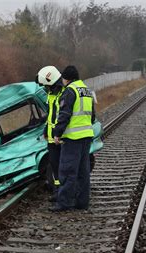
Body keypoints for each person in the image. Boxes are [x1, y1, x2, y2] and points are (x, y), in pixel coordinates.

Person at [50, 65, 95, 211]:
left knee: (68, 171)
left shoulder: (70, 91)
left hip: (73, 138)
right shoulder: (86, 90)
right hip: (86, 136)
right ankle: (82, 203)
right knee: (83, 172)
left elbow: (64, 114)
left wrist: (57, 133)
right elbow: (92, 115)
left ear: (66, 78)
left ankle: (64, 203)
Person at [35, 66, 65, 201]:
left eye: (47, 86)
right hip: (52, 139)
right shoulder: (51, 94)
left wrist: (57, 132)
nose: (46, 88)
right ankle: (57, 191)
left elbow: (64, 116)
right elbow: (52, 115)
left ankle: (64, 192)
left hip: (62, 138)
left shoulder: (64, 94)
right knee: (54, 165)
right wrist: (46, 129)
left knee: (64, 166)